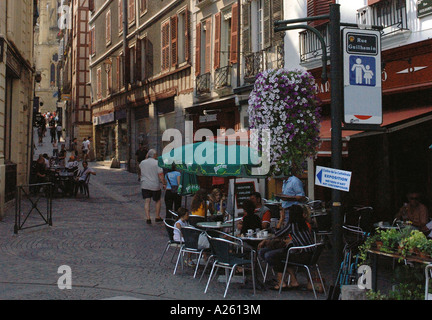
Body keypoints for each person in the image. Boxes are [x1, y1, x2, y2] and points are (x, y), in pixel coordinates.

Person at [258, 204, 315, 291]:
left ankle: (281, 282)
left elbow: (278, 234)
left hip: (300, 256)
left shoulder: (293, 224)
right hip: (310, 255)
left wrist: (281, 219)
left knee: (271, 255)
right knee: (278, 254)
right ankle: (293, 280)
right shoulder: (303, 224)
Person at [138, 149, 166, 224]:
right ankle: (157, 216)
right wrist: (164, 183)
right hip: (154, 184)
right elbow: (160, 174)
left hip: (145, 184)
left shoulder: (142, 162)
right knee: (157, 200)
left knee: (147, 201)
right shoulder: (157, 163)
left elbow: (140, 169)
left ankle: (148, 218)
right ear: (154, 155)